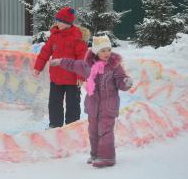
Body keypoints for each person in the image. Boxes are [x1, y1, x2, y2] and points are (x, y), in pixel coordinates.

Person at [50, 35, 133, 168]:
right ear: (95, 51)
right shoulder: (87, 65)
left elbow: (120, 79)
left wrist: (126, 82)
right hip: (93, 105)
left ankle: (107, 157)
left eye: (108, 50)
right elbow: (73, 64)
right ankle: (95, 154)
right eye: (103, 50)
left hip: (108, 106)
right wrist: (60, 61)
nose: (106, 53)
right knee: (93, 131)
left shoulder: (115, 67)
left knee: (105, 131)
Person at [33, 7, 88, 128]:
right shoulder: (54, 36)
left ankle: (72, 127)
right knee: (54, 103)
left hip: (73, 79)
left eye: (59, 21)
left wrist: (80, 75)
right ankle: (55, 125)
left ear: (67, 23)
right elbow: (45, 52)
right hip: (56, 77)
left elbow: (81, 58)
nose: (56, 23)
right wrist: (38, 66)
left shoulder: (77, 37)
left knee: (72, 104)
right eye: (56, 20)